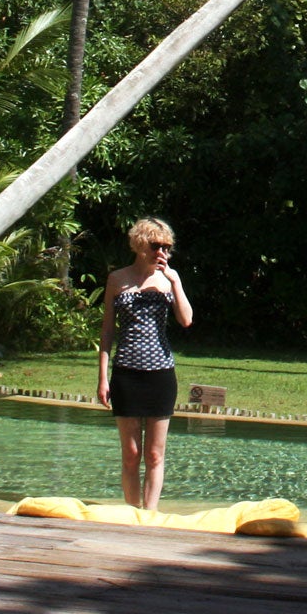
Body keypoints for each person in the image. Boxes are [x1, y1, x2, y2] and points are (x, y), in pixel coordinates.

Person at [97, 217, 193, 508]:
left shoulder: (168, 280)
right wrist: (102, 376)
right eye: (155, 245)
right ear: (140, 244)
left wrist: (174, 281)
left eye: (165, 246)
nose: (160, 251)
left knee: (154, 454)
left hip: (161, 373)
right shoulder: (117, 279)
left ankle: (149, 516)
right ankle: (131, 512)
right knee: (131, 453)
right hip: (126, 372)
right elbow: (107, 331)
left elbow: (186, 320)